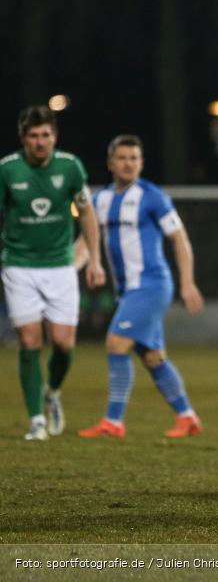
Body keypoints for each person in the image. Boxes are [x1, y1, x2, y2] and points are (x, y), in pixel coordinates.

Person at [76, 135, 205, 439]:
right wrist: (66, 273)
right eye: (122, 158)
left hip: (151, 284)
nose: (128, 163)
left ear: (141, 163)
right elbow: (84, 244)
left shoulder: (152, 196)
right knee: (152, 357)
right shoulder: (99, 200)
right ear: (110, 163)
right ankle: (187, 417)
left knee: (116, 343)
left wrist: (187, 283)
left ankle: (113, 422)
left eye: (134, 158)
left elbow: (179, 238)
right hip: (128, 290)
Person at [0, 105, 105, 441]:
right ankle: (36, 421)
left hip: (60, 267)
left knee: (62, 343)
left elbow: (87, 214)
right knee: (30, 341)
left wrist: (95, 260)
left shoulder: (70, 166)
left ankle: (52, 392)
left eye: (46, 135)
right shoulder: (7, 170)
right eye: (33, 136)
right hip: (19, 266)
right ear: (23, 138)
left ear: (54, 137)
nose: (40, 141)